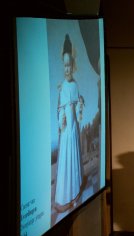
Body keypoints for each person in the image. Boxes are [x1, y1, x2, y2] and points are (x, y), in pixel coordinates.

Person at [55, 34, 84, 213]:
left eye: (69, 65)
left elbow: (78, 107)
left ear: (73, 65)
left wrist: (80, 106)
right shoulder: (63, 87)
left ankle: (75, 192)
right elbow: (60, 110)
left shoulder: (75, 85)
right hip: (67, 131)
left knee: (75, 158)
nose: (67, 69)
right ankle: (65, 196)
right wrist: (62, 122)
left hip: (74, 129)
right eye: (64, 65)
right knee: (66, 159)